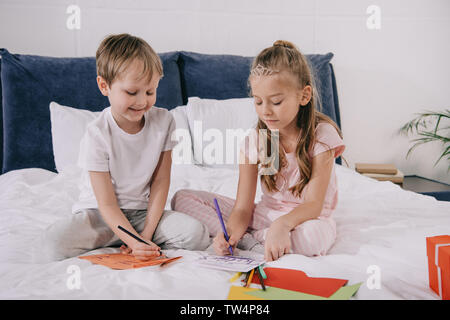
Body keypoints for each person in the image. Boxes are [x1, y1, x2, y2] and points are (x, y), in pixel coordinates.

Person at [36, 33, 209, 262]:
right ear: (104, 85)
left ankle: (130, 239)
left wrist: (146, 235)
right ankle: (120, 239)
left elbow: (160, 181)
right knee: (52, 244)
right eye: (131, 92)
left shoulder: (164, 121)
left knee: (197, 235)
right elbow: (106, 203)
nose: (142, 102)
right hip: (100, 215)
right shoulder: (97, 134)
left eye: (150, 92)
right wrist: (132, 240)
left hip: (143, 215)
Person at [171, 40, 345, 261]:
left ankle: (258, 240)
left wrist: (282, 225)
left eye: (276, 102)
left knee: (312, 238)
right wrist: (231, 233)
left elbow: (313, 204)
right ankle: (249, 240)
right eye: (258, 102)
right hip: (264, 216)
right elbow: (243, 209)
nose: (266, 112)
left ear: (304, 95)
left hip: (305, 219)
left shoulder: (321, 135)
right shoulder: (258, 140)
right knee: (182, 198)